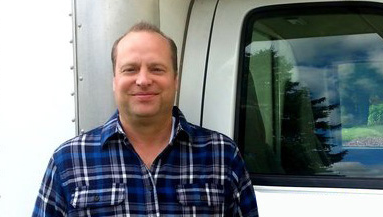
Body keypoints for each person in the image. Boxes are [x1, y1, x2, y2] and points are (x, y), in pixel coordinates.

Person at [32, 22, 258, 217]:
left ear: (176, 80)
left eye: (156, 69)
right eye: (130, 69)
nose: (143, 80)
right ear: (114, 81)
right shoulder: (68, 161)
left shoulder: (222, 155)